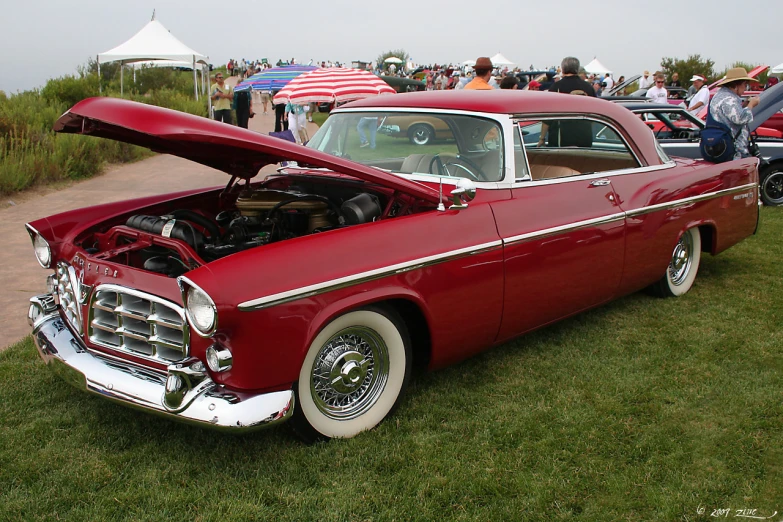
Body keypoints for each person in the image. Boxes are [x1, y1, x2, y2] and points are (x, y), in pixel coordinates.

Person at [539, 57, 596, 148]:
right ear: (577, 69)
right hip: (584, 137)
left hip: (560, 138)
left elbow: (547, 117)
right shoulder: (588, 87)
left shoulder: (556, 87)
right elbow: (595, 114)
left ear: (563, 69)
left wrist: (542, 138)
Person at [709, 67, 760, 159]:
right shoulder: (729, 98)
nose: (745, 88)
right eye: (745, 84)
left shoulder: (720, 95)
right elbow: (739, 119)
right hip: (733, 151)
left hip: (721, 146)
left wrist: (744, 106)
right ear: (736, 85)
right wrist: (751, 105)